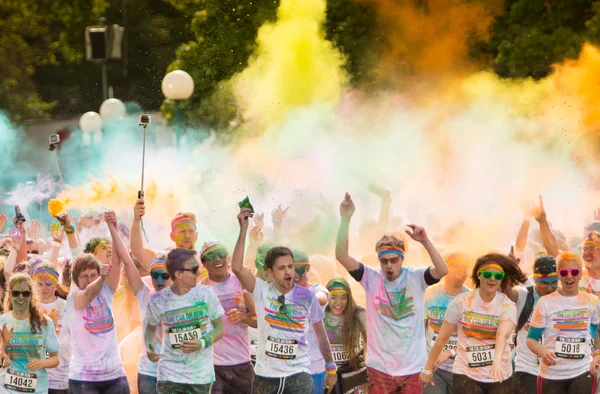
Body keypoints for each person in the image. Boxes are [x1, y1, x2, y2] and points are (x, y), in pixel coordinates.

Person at [335, 193, 448, 394]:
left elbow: (442, 270)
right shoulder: (370, 278)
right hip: (380, 368)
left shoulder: (416, 278)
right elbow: (341, 256)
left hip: (413, 368)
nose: (389, 265)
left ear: (402, 259)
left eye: (394, 260)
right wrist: (345, 218)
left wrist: (425, 241)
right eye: (384, 260)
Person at [231, 207, 337, 394]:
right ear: (270, 273)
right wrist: (243, 230)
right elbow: (238, 268)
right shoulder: (261, 290)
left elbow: (321, 335)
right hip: (265, 377)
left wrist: (330, 367)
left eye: (291, 266)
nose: (289, 271)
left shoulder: (306, 297)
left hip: (299, 374)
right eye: (281, 268)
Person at [420, 253, 526, 394]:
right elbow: (441, 338)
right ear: (479, 275)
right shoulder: (461, 302)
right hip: (465, 373)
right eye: (488, 274)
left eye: (498, 276)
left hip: (499, 375)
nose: (492, 279)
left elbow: (501, 334)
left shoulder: (507, 305)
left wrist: (496, 361)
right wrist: (427, 369)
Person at [145, 248, 225, 394]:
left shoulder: (206, 294)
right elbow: (150, 328)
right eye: (194, 270)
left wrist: (202, 342)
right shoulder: (158, 300)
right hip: (169, 375)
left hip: (200, 377)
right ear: (179, 274)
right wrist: (149, 347)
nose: (199, 273)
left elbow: (220, 329)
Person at [65, 210, 129, 394]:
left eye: (93, 274)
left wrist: (112, 227)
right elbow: (88, 295)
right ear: (76, 280)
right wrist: (100, 278)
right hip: (83, 379)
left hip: (115, 375)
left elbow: (116, 262)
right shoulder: (74, 297)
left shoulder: (107, 290)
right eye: (84, 276)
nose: (89, 279)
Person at [527, 252, 600, 394]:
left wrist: (597, 353)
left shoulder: (592, 301)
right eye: (564, 272)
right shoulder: (545, 302)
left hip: (582, 371)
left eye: (574, 272)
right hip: (551, 374)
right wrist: (542, 352)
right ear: (558, 275)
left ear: (580, 274)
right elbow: (531, 339)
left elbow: (597, 331)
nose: (569, 276)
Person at [120, 213, 173, 394]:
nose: (159, 279)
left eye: (164, 276)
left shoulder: (186, 298)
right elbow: (129, 260)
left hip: (175, 373)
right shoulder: (146, 296)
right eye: (155, 275)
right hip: (149, 373)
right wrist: (135, 220)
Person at [200, 241, 257, 394]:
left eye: (222, 255)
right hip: (213, 366)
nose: (217, 259)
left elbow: (258, 321)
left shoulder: (241, 282)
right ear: (204, 263)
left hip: (242, 364)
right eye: (211, 256)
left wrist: (243, 317)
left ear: (229, 259)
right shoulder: (201, 290)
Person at [0, 273, 60, 394]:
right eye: (16, 293)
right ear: (10, 295)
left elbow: (56, 358)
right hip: (8, 389)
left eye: (25, 293)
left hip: (37, 389)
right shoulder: (3, 321)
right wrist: (3, 351)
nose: (20, 297)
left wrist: (42, 363)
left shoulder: (44, 322)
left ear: (31, 295)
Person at [422, 252, 471, 394]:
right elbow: (420, 330)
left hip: (462, 370)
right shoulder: (430, 293)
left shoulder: (471, 299)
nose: (461, 273)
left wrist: (450, 352)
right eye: (456, 267)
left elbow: (474, 340)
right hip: (434, 368)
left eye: (465, 268)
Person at [512, 255, 558, 394]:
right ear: (536, 279)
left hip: (556, 372)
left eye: (553, 282)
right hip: (527, 370)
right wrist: (509, 270)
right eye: (544, 282)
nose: (549, 287)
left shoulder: (564, 298)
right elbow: (508, 292)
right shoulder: (524, 295)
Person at [293, 248, 330, 394]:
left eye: (298, 268)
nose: (295, 273)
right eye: (291, 268)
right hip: (290, 367)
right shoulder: (282, 293)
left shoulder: (316, 289)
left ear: (307, 268)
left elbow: (322, 297)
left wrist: (308, 298)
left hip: (314, 367)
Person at [324, 277, 368, 394]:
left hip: (353, 374)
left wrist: (367, 355)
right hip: (328, 374)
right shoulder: (319, 315)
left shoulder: (357, 313)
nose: (338, 303)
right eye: (333, 297)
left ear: (348, 298)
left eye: (343, 297)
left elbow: (374, 337)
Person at [32, 262, 70, 394]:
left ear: (56, 285)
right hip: (34, 378)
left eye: (48, 284)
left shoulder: (67, 306)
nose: (44, 288)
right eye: (39, 284)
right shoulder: (28, 308)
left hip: (61, 377)